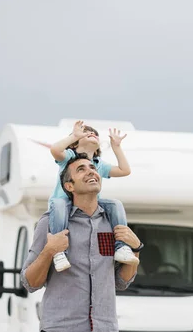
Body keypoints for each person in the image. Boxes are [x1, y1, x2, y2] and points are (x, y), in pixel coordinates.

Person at [20, 153, 143, 332]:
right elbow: (30, 283)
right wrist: (49, 250)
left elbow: (120, 283)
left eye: (93, 168)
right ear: (69, 186)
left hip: (105, 328)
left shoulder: (113, 223)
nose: (90, 172)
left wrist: (136, 249)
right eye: (81, 169)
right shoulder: (50, 223)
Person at [47, 120, 138, 271]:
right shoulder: (70, 157)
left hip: (90, 204)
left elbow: (124, 170)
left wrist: (116, 147)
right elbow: (55, 149)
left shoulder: (99, 164)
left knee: (115, 204)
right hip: (63, 203)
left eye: (95, 134)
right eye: (86, 133)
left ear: (97, 149)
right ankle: (59, 253)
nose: (92, 134)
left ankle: (121, 248)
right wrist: (73, 136)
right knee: (58, 204)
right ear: (75, 143)